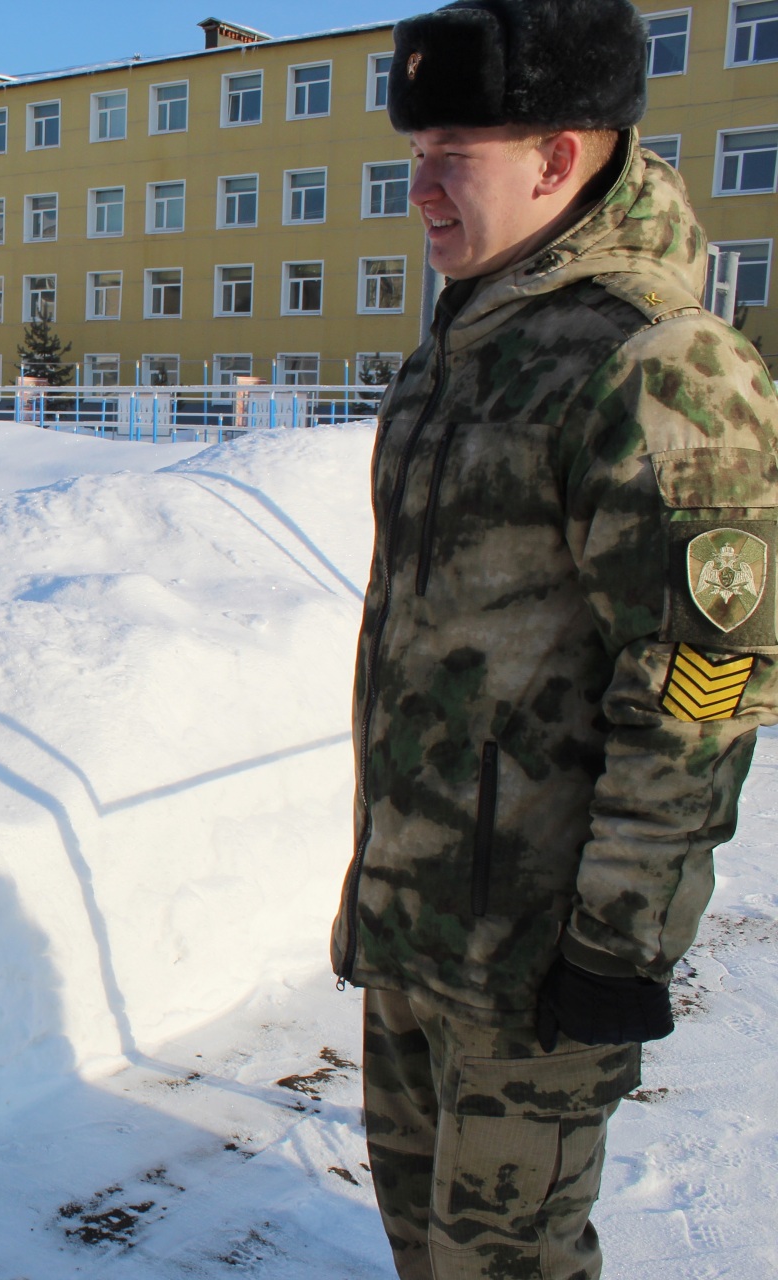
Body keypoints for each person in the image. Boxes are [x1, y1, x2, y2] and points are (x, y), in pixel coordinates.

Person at [331, 2, 778, 1276]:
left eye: (451, 146)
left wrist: (617, 946)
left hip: (538, 960)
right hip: (420, 928)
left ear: (558, 155)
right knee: (428, 1251)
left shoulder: (654, 364)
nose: (419, 184)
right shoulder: (461, 347)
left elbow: (707, 682)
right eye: (413, 149)